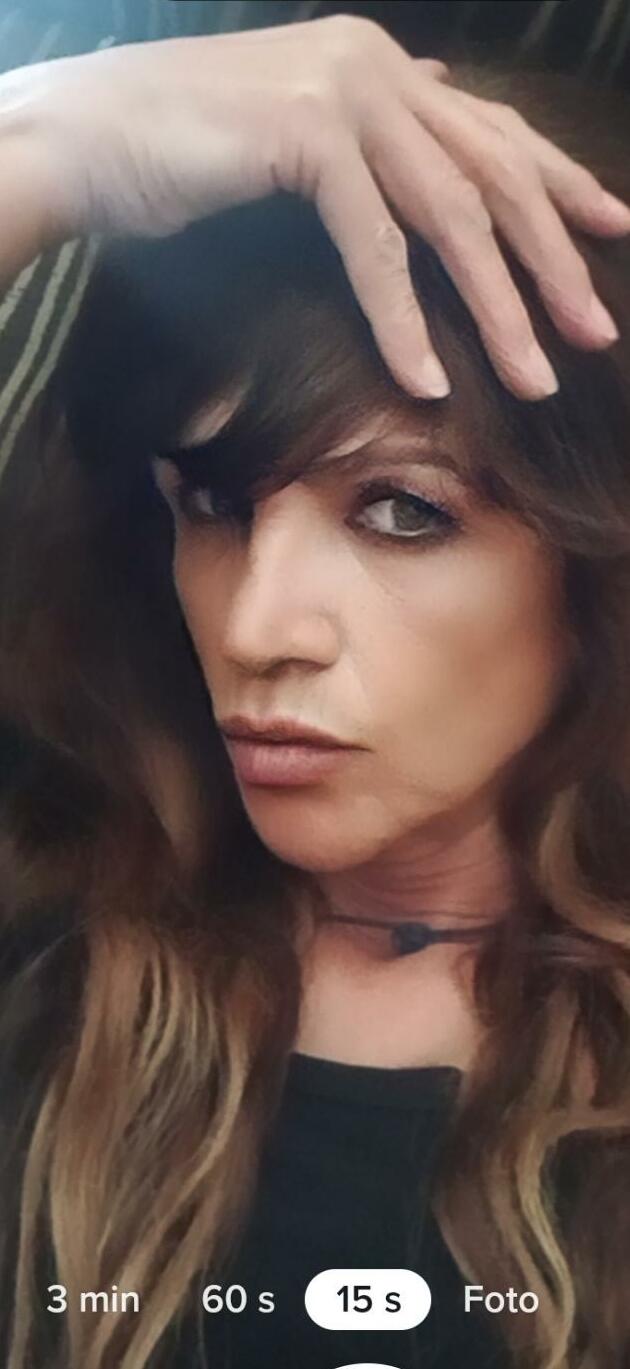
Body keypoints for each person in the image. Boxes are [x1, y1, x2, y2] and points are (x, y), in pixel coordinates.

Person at [1, 14, 630, 1369]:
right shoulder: (53, 948)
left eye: (402, 510)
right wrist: (55, 138)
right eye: (213, 505)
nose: (253, 625)